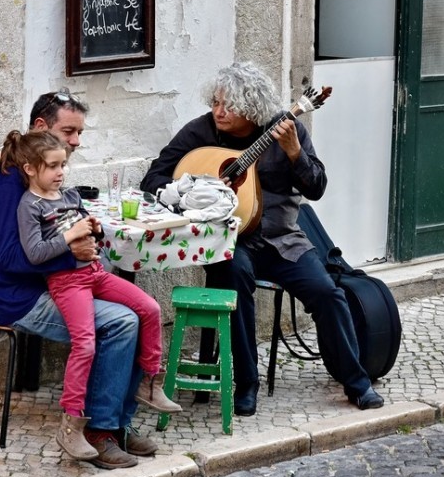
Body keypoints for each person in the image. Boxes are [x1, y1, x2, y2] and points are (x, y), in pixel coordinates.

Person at [140, 62, 385, 417]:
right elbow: (156, 178)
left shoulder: (289, 129)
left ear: (253, 108)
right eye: (216, 102)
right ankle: (246, 382)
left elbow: (317, 187)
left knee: (328, 293)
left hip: (283, 240)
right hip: (228, 240)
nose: (219, 112)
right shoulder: (202, 132)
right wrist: (192, 192)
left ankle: (356, 382)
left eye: (230, 105)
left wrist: (295, 153)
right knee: (234, 282)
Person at [0, 89, 157, 470]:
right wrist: (70, 250)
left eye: (79, 133)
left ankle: (118, 426)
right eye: (69, 131)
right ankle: (98, 432)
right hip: (19, 297)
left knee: (141, 310)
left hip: (59, 283)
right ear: (41, 128)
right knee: (121, 323)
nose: (76, 141)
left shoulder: (48, 180)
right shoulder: (9, 183)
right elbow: (11, 260)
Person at [0, 129, 181, 458]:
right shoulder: (29, 206)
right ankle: (71, 425)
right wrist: (71, 236)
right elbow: (35, 254)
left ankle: (150, 382)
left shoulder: (69, 196)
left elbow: (83, 223)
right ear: (30, 169)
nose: (60, 173)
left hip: (95, 274)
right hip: (66, 283)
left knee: (150, 308)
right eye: (53, 166)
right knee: (84, 343)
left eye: (63, 165)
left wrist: (93, 227)